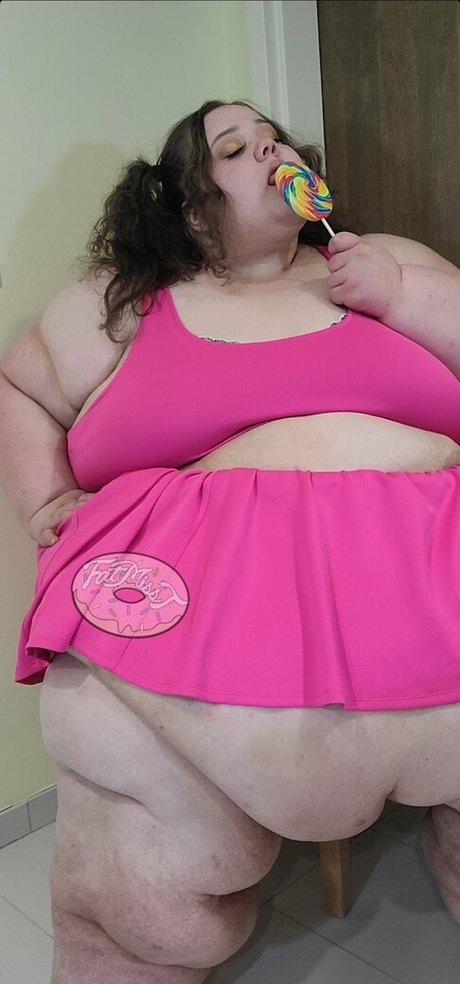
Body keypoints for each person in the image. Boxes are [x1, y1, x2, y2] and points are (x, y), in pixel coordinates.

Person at [1, 97, 460, 983]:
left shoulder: (381, 261)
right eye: (237, 148)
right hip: (196, 608)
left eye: (278, 141)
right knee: (138, 904)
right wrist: (44, 500)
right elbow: (18, 387)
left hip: (435, 564)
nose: (275, 152)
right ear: (191, 210)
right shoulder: (126, 304)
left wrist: (403, 296)